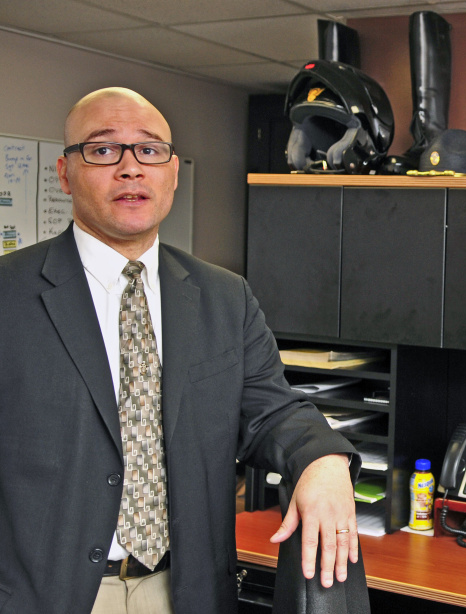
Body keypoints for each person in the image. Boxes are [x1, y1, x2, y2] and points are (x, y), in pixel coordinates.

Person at [0, 87, 364, 613]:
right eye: (104, 151)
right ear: (64, 173)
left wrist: (323, 460)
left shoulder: (224, 296)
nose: (131, 168)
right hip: (46, 596)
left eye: (149, 150)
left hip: (186, 591)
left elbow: (274, 411)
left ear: (172, 172)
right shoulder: (10, 295)